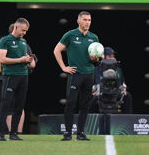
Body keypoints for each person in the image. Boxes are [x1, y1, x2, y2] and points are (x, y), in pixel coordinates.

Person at [53, 11, 99, 141]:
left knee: (85, 105)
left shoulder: (94, 37)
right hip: (75, 74)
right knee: (71, 104)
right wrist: (63, 67)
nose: (87, 22)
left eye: (89, 20)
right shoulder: (70, 35)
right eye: (84, 20)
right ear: (78, 21)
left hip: (89, 74)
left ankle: (81, 133)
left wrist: (95, 59)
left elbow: (96, 59)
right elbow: (56, 50)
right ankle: (68, 133)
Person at [0, 18, 35, 141]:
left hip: (23, 76)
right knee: (6, 105)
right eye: (23, 30)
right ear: (16, 28)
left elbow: (27, 61)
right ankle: (1, 134)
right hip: (10, 76)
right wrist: (20, 60)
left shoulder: (24, 42)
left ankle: (14, 133)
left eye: (26, 31)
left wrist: (28, 60)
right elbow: (2, 60)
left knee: (20, 105)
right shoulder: (5, 40)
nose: (24, 33)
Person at [90, 47, 133, 114]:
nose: (112, 58)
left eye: (113, 56)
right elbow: (93, 83)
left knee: (128, 96)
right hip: (101, 92)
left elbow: (122, 83)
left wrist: (123, 89)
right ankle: (90, 119)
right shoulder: (96, 70)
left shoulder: (118, 70)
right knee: (90, 98)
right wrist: (94, 90)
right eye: (109, 56)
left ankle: (128, 119)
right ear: (103, 57)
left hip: (116, 92)